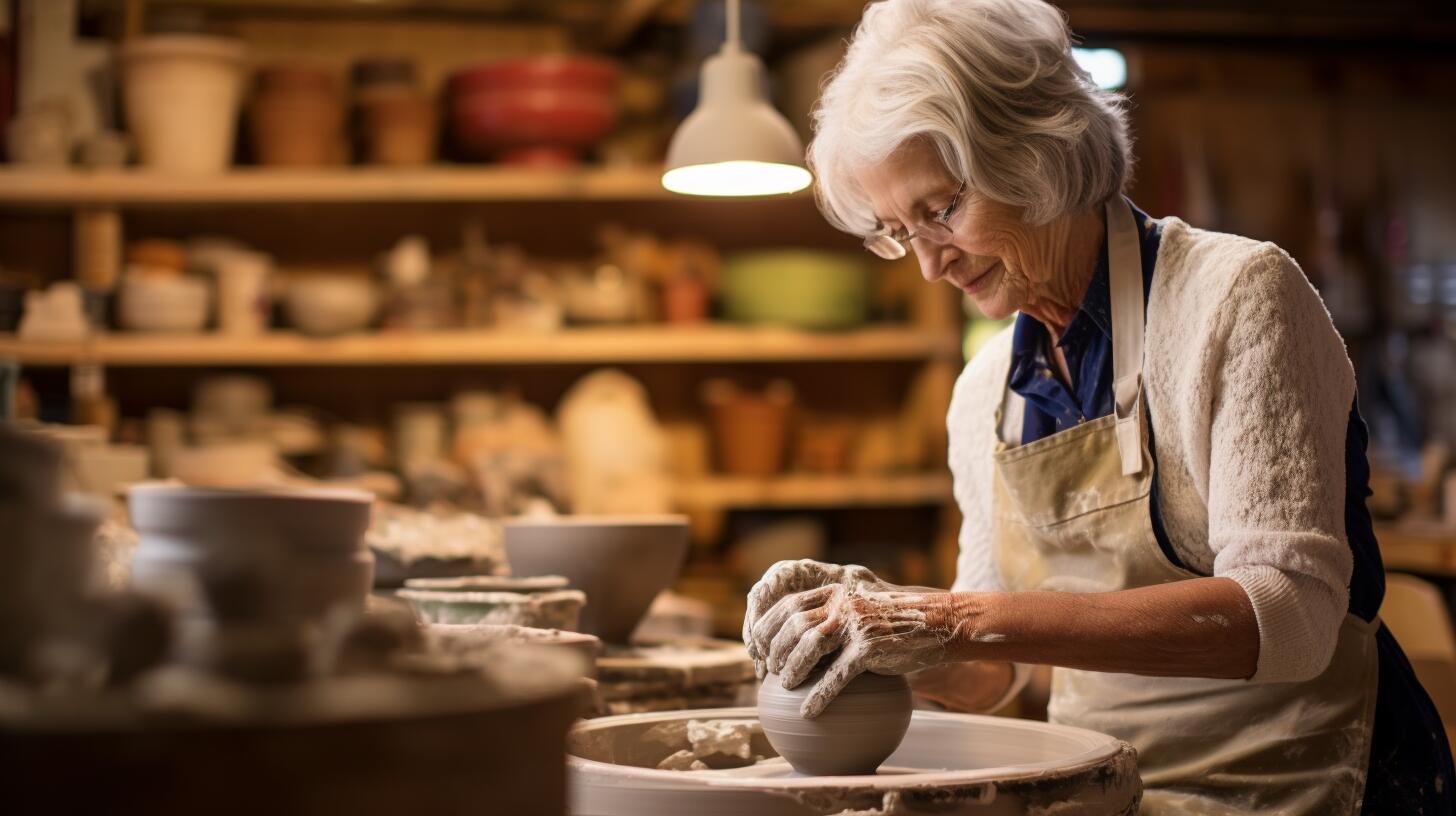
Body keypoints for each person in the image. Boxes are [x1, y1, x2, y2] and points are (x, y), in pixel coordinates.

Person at [741, 1, 1453, 812]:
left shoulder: (1238, 299)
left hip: (1300, 781)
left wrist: (953, 616)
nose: (930, 266)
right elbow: (992, 671)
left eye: (942, 210)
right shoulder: (984, 397)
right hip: (1109, 787)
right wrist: (871, 637)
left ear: (1036, 154)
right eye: (901, 232)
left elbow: (1288, 618)